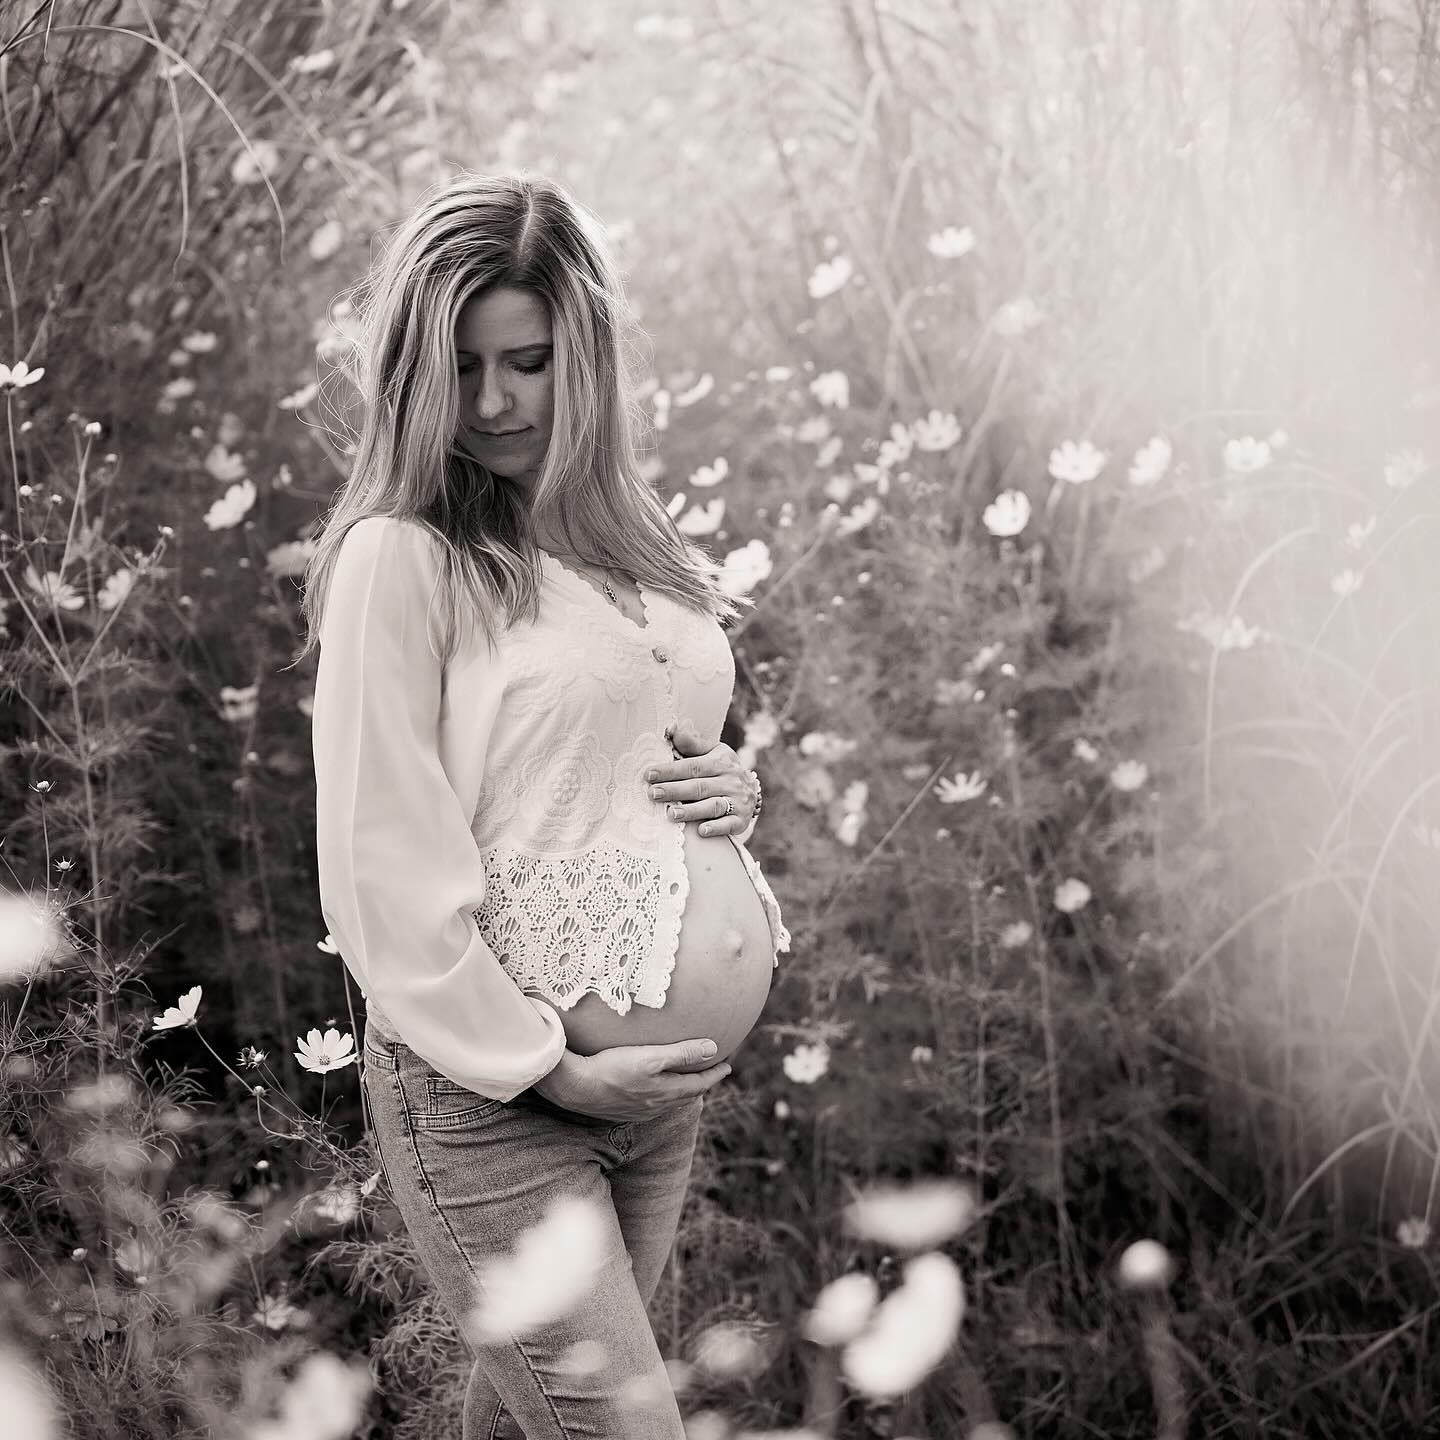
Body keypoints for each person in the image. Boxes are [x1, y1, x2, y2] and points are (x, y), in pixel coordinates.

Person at [296, 171, 790, 1439]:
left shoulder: (619, 541)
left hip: (652, 1098)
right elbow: (375, 865)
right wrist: (550, 1074)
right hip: (499, 1101)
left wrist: (730, 785)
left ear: (590, 357)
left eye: (529, 360)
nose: (497, 401)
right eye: (461, 368)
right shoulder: (403, 556)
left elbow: (604, 761)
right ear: (415, 375)